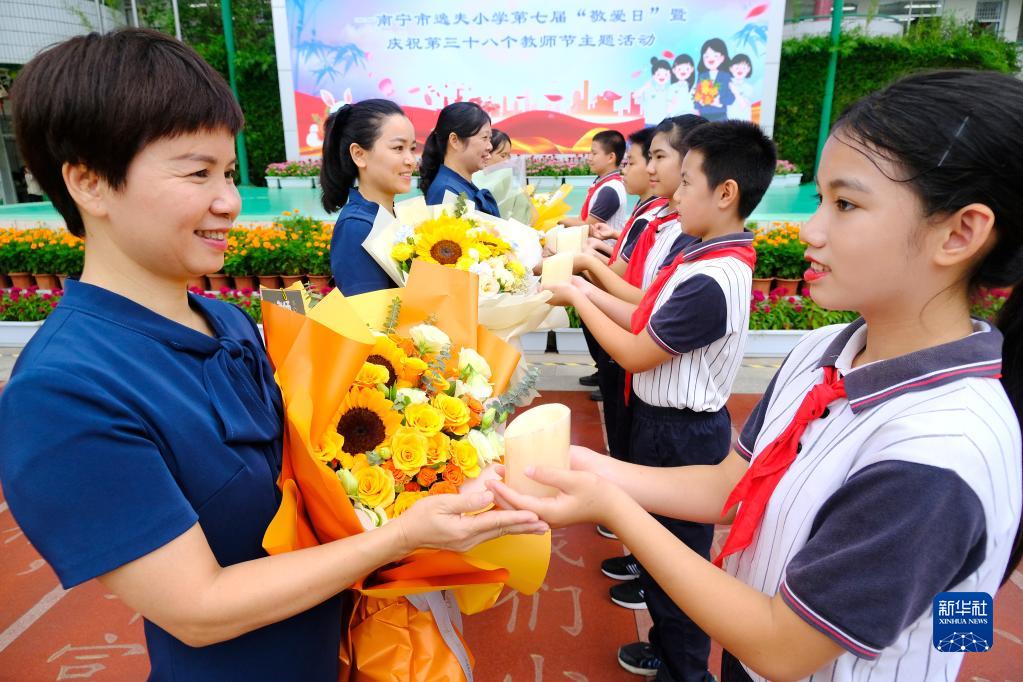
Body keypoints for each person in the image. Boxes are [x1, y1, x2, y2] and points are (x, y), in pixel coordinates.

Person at [0, 29, 547, 682]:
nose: (229, 202)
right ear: (90, 183)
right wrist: (401, 537)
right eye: (197, 173)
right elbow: (198, 609)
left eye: (228, 173)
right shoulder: (64, 391)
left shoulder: (229, 324)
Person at [492, 70, 1023, 682]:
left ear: (959, 233)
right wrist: (591, 469)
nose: (810, 230)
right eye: (820, 200)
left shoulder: (941, 448)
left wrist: (610, 501)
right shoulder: (824, 351)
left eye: (846, 205)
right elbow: (733, 486)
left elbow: (783, 645)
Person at [542, 120, 777, 681]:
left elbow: (635, 351)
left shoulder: (712, 277)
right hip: (665, 425)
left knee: (679, 573)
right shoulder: (698, 256)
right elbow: (641, 314)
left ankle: (684, 671)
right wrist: (585, 285)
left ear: (726, 193)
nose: (674, 190)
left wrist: (577, 293)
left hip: (682, 435)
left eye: (687, 180)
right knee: (661, 560)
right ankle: (671, 656)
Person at [322, 99, 416, 295]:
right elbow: (369, 312)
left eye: (412, 149)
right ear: (359, 154)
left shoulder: (394, 216)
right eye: (398, 148)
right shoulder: (357, 227)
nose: (411, 160)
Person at [419, 101, 500, 216]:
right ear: (454, 141)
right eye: (484, 137)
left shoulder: (460, 185)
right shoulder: (446, 191)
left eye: (490, 138)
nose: (490, 146)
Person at [562, 130, 628, 237]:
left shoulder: (610, 190)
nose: (589, 158)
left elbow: (587, 228)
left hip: (602, 247)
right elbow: (582, 221)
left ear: (611, 157)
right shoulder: (603, 184)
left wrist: (555, 218)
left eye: (594, 153)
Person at [694, 38, 735, 122]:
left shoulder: (726, 76)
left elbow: (731, 97)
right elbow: (697, 94)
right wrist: (698, 105)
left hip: (720, 114)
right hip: (703, 115)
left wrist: (720, 101)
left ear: (722, 58)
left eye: (715, 55)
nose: (710, 59)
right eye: (706, 56)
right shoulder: (702, 76)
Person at [726, 54, 754, 122]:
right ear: (730, 68)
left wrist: (735, 91)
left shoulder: (749, 88)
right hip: (728, 121)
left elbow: (744, 105)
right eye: (737, 67)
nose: (740, 70)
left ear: (748, 69)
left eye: (744, 68)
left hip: (744, 122)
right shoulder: (726, 83)